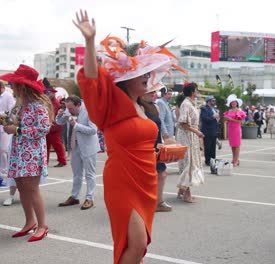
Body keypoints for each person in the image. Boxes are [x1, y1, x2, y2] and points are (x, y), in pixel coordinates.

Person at [73, 10, 184, 263]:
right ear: (126, 79)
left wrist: (164, 148)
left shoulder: (146, 107)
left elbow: (145, 141)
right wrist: (90, 42)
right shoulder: (111, 105)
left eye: (147, 73)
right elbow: (91, 78)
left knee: (138, 244)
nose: (148, 77)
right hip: (122, 179)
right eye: (142, 74)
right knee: (136, 242)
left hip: (146, 178)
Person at [0, 64, 54, 242]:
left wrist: (15, 130)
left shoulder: (38, 105)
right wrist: (6, 121)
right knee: (22, 188)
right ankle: (30, 222)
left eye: (14, 84)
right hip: (19, 151)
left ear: (22, 86)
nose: (11, 87)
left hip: (31, 153)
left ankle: (42, 225)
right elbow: (13, 121)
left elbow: (43, 128)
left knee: (32, 189)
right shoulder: (20, 104)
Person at [56, 95, 100, 210]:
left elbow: (93, 130)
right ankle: (74, 197)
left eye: (70, 109)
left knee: (90, 174)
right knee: (76, 174)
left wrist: (75, 125)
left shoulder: (89, 110)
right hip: (74, 145)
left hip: (88, 146)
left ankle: (89, 198)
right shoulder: (68, 108)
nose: (68, 111)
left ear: (78, 105)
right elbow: (60, 122)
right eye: (67, 108)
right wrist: (60, 115)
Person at [139, 84, 173, 212]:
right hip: (146, 145)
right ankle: (147, 201)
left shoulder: (155, 107)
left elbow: (160, 123)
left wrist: (165, 138)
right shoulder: (140, 108)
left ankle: (159, 201)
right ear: (142, 94)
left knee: (162, 173)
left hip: (157, 144)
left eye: (154, 92)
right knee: (148, 176)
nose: (154, 94)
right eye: (150, 92)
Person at [176, 82, 205, 203]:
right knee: (188, 162)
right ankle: (186, 193)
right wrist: (196, 131)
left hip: (192, 136)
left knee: (191, 162)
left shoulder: (191, 103)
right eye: (196, 90)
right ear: (192, 91)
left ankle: (182, 190)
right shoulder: (186, 104)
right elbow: (182, 122)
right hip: (186, 136)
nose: (197, 92)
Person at [43, 78, 67, 167]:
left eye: (49, 93)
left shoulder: (54, 103)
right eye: (46, 93)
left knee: (56, 144)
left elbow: (53, 116)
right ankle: (46, 161)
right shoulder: (49, 102)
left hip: (54, 127)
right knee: (46, 145)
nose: (47, 94)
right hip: (50, 127)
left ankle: (62, 160)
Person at [0, 81, 18, 205]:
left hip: (8, 129)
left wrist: (3, 117)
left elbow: (11, 115)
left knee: (4, 150)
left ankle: (4, 175)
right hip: (4, 126)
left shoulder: (8, 96)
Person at [223, 94, 246, 167]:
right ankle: (234, 159)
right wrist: (226, 119)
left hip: (236, 129)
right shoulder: (229, 111)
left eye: (235, 102)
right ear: (230, 103)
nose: (233, 103)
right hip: (230, 128)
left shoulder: (239, 111)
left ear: (237, 103)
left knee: (237, 145)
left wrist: (231, 119)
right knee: (232, 145)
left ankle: (236, 160)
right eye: (232, 102)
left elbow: (240, 122)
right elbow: (225, 119)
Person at [200, 95, 220, 166]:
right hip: (207, 130)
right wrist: (213, 117)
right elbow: (204, 119)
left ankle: (213, 160)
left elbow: (216, 118)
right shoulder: (204, 109)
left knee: (213, 147)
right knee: (207, 146)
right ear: (208, 101)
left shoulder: (214, 109)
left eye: (214, 100)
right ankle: (208, 160)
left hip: (214, 130)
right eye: (212, 100)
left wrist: (217, 119)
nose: (214, 102)